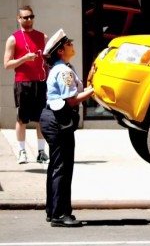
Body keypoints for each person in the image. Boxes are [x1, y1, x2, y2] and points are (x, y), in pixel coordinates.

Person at [40, 29, 94, 227]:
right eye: (69, 43)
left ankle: (52, 210)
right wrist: (95, 92)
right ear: (61, 50)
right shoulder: (63, 70)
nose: (72, 45)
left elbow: (76, 90)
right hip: (58, 120)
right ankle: (60, 214)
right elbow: (71, 100)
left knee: (56, 166)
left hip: (55, 118)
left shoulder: (64, 67)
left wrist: (90, 83)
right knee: (62, 167)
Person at [3, 5, 49, 164]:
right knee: (22, 119)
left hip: (41, 82)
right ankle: (22, 151)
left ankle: (42, 152)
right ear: (19, 18)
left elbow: (47, 59)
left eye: (31, 17)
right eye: (25, 17)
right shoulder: (13, 38)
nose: (29, 20)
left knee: (42, 119)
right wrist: (24, 59)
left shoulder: (42, 36)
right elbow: (7, 65)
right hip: (23, 83)